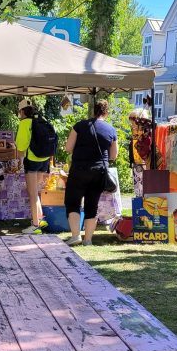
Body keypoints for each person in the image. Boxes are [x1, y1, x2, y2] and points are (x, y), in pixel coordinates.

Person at [64, 98, 118, 246]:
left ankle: (75, 236)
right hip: (99, 172)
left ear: (93, 111)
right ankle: (88, 240)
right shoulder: (111, 130)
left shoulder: (80, 126)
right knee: (91, 205)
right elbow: (113, 155)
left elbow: (68, 148)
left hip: (79, 170)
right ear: (106, 113)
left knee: (73, 202)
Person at [15, 98, 50, 234]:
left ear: (22, 111)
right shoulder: (41, 120)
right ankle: (40, 219)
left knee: (32, 193)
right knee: (36, 191)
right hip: (44, 160)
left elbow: (21, 146)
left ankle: (35, 225)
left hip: (32, 159)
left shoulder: (24, 123)